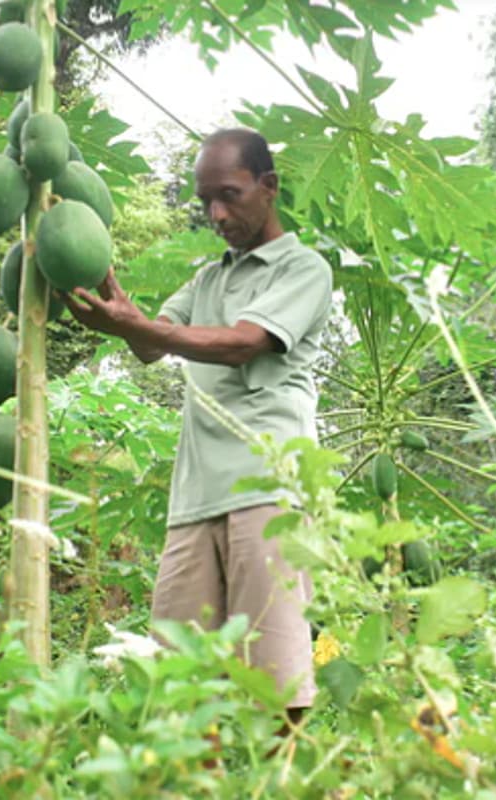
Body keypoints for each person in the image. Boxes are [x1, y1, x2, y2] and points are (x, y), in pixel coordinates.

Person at [64, 128, 333, 722]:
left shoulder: (303, 269)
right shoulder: (208, 280)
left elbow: (243, 343)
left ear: (268, 187)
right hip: (194, 499)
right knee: (178, 688)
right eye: (206, 199)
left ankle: (287, 774)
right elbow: (150, 345)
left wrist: (143, 328)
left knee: (277, 689)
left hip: (268, 491)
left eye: (229, 195)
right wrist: (114, 309)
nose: (216, 214)